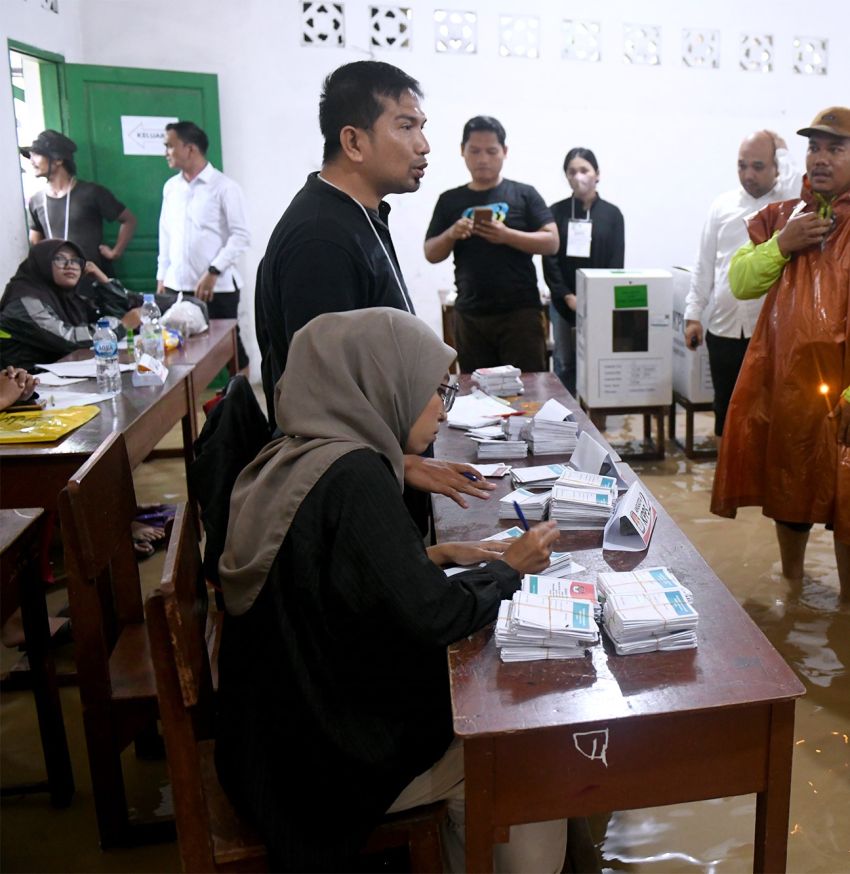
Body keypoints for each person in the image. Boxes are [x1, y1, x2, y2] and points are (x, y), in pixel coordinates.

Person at [215, 307, 567, 872]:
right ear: (382, 382)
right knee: (522, 747)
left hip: (268, 745)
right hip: (319, 771)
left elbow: (323, 576)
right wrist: (512, 569)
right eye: (436, 392)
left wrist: (435, 554)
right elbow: (436, 616)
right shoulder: (354, 476)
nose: (439, 410)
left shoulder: (291, 454)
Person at [255, 60, 493, 513]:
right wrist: (398, 464)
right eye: (406, 126)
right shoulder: (321, 238)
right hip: (352, 493)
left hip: (378, 466)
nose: (423, 145)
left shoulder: (357, 214)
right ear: (354, 141)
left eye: (422, 127)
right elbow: (323, 398)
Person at [711, 107, 850, 601]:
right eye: (815, 147)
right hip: (791, 384)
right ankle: (794, 589)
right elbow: (741, 281)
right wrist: (782, 245)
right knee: (791, 486)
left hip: (845, 392)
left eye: (836, 148)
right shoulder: (784, 215)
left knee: (848, 498)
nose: (822, 158)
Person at [683, 131, 802, 449]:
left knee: (772, 410)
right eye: (742, 166)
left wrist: (785, 152)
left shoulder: (788, 204)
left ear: (776, 167)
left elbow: (796, 181)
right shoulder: (722, 206)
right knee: (725, 409)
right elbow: (704, 264)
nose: (749, 174)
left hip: (771, 331)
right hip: (723, 327)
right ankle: (726, 484)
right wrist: (693, 314)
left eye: (759, 166)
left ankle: (767, 484)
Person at [425, 116, 558, 374]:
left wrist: (507, 235)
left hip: (521, 313)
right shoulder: (449, 200)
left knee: (527, 393)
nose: (483, 159)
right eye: (474, 151)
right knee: (476, 398)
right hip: (470, 315)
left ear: (504, 152)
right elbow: (431, 252)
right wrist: (452, 232)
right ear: (462, 151)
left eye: (491, 151)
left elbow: (552, 242)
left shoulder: (524, 194)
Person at [156, 120, 251, 369]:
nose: (166, 152)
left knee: (231, 348)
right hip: (178, 286)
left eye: (170, 146)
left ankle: (241, 404)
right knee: (178, 352)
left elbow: (241, 235)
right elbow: (165, 234)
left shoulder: (224, 187)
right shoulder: (171, 188)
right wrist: (162, 276)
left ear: (190, 149)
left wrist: (213, 271)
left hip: (216, 287)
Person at [542, 147, 625, 395]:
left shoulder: (612, 215)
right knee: (565, 362)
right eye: (572, 171)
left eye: (584, 170)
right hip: (564, 303)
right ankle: (565, 415)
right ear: (566, 176)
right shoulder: (555, 212)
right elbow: (549, 260)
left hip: (600, 304)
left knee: (597, 359)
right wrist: (567, 296)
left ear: (597, 174)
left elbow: (616, 261)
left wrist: (597, 298)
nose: (579, 176)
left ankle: (596, 414)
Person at [0, 239, 142, 371]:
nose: (70, 265)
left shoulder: (68, 298)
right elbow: (69, 339)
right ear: (42, 263)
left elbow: (113, 316)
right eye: (59, 259)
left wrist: (103, 280)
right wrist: (122, 326)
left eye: (76, 260)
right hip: (25, 384)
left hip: (56, 377)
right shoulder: (25, 300)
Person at [20, 130, 137, 271]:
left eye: (37, 155)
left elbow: (129, 220)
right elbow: (35, 243)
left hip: (92, 280)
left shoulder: (92, 193)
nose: (31, 161)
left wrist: (115, 252)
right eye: (30, 156)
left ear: (58, 159)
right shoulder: (37, 201)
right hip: (57, 284)